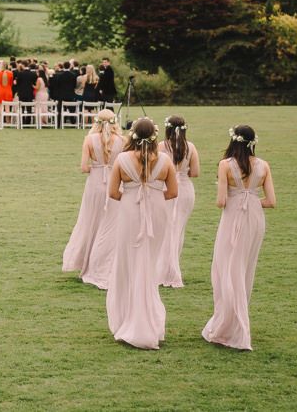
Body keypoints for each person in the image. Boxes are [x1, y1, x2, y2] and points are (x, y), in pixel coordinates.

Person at [106, 118, 178, 349]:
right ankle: (147, 319)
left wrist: (133, 196)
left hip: (130, 213)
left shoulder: (122, 159)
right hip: (157, 214)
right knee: (148, 263)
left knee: (129, 263)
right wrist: (153, 197)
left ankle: (130, 318)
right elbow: (173, 192)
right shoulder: (165, 160)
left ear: (132, 135)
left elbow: (113, 193)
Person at [202, 125, 276, 351]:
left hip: (233, 218)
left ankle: (228, 324)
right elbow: (271, 201)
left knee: (224, 269)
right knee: (244, 269)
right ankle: (234, 320)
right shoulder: (263, 165)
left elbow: (221, 201)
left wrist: (238, 198)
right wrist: (251, 200)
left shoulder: (225, 165)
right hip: (254, 221)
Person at [63, 110, 125, 286]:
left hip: (95, 185)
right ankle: (107, 264)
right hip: (115, 183)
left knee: (91, 222)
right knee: (111, 225)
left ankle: (89, 262)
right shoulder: (123, 140)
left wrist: (98, 168)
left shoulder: (89, 139)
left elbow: (84, 167)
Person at [156, 115, 200, 288]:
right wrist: (181, 172)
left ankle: (165, 271)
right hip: (185, 191)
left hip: (166, 189)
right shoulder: (191, 147)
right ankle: (171, 269)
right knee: (177, 230)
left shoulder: (161, 146)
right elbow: (195, 172)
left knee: (165, 230)